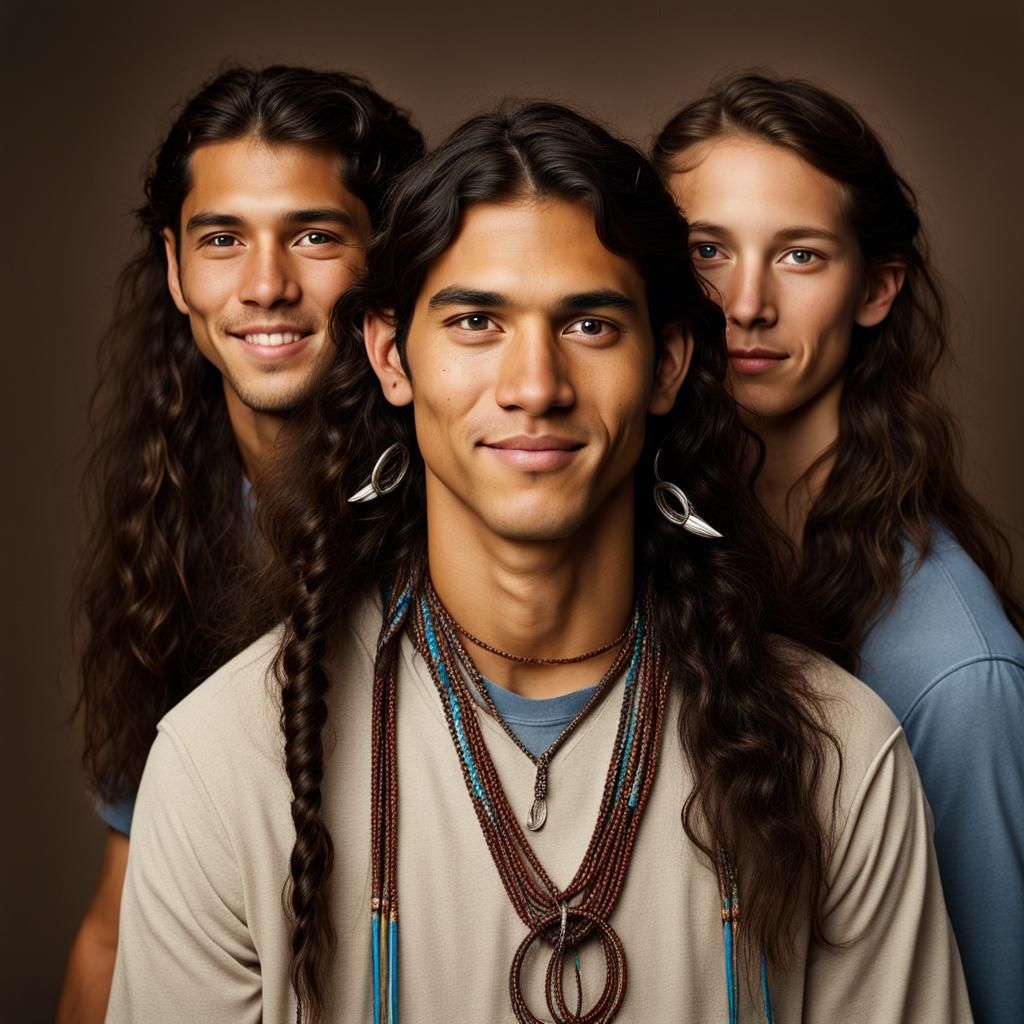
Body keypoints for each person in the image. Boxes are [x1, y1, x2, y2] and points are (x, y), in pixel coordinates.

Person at [107, 101, 970, 1023]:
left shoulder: (840, 756)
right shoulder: (222, 764)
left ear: (669, 364)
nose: (534, 387)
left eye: (589, 325)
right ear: (392, 357)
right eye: (477, 321)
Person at [653, 71, 1024, 1024]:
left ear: (876, 288)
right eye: (705, 251)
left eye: (801, 256)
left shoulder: (955, 670)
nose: (743, 304)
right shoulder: (643, 550)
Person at [57, 65, 423, 1023]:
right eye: (224, 240)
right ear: (177, 270)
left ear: (389, 263)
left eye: (314, 235)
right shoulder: (182, 532)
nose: (267, 286)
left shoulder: (469, 518)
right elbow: (113, 926)